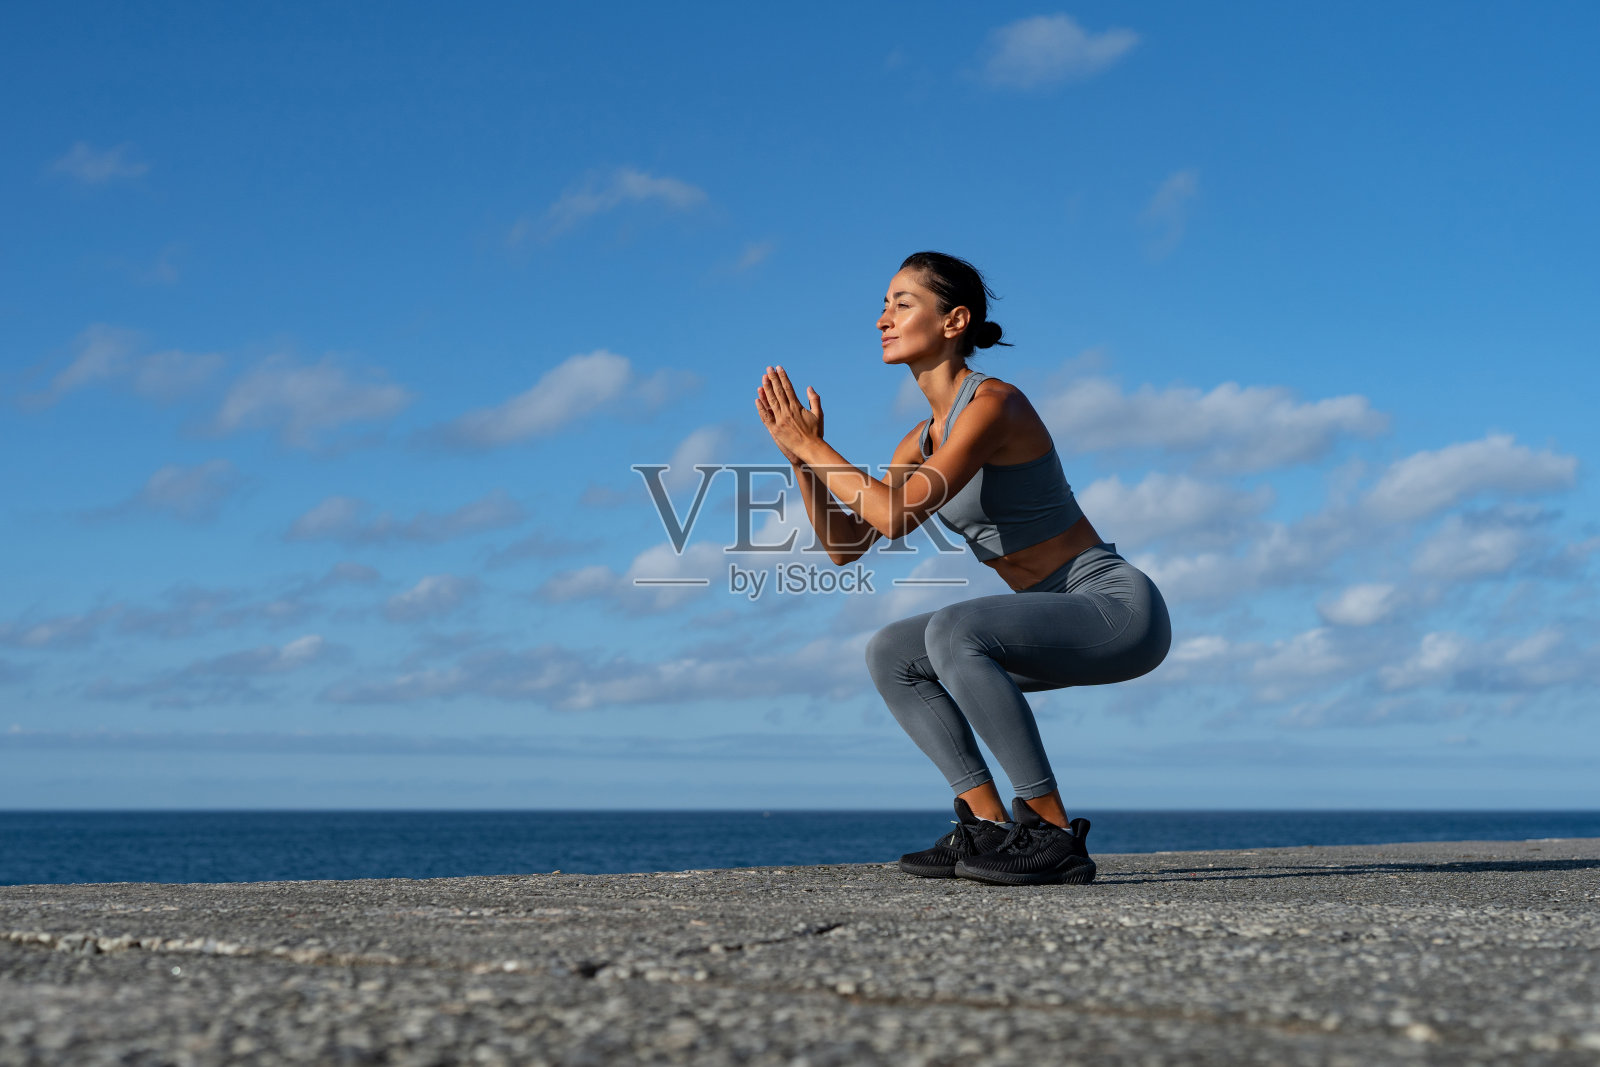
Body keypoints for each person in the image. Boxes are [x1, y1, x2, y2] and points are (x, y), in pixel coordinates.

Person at [754, 250, 1171, 886]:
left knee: (953, 629)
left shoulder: (995, 404)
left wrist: (813, 443)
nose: (882, 319)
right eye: (883, 305)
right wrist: (800, 459)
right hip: (1045, 615)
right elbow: (846, 544)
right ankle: (987, 825)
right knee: (892, 652)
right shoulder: (921, 439)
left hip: (1112, 609)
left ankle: (1052, 833)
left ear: (954, 321)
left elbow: (893, 515)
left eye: (902, 304)